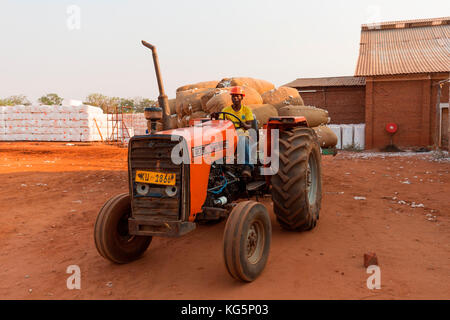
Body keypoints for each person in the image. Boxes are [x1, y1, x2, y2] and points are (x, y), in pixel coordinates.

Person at [218, 86, 254, 177]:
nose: (235, 98)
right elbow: (220, 123)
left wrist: (244, 125)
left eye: (237, 96)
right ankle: (218, 166)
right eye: (233, 96)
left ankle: (247, 166)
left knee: (242, 139)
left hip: (241, 131)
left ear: (242, 97)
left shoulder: (246, 110)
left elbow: (250, 126)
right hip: (229, 132)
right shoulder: (226, 110)